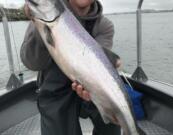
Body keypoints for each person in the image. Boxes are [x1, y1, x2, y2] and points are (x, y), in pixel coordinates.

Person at [21, 0, 121, 135]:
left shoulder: (104, 25)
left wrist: (92, 90)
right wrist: (39, 24)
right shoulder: (46, 11)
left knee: (114, 119)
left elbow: (102, 68)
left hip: (91, 86)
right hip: (55, 92)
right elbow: (32, 63)